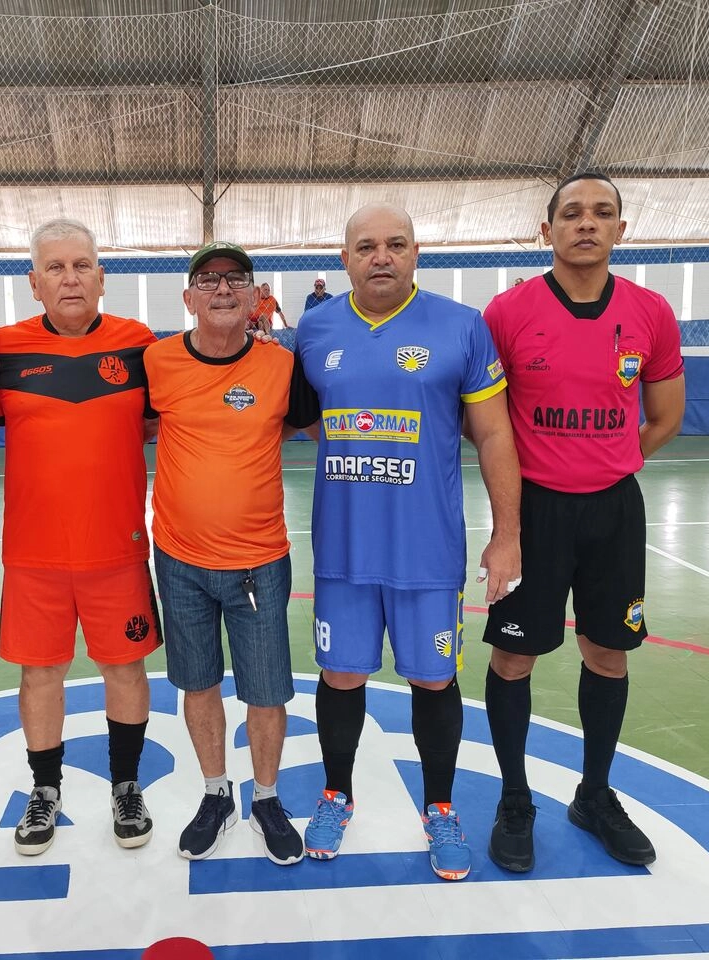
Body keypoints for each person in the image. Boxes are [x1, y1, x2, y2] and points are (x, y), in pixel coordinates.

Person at [294, 202, 522, 881]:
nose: (382, 256)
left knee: (433, 676)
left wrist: (506, 535)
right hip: (343, 551)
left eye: (396, 244)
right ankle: (337, 793)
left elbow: (495, 435)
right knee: (341, 676)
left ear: (417, 253)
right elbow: (310, 421)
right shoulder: (314, 328)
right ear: (345, 259)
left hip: (426, 551)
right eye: (367, 246)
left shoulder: (461, 328)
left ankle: (440, 808)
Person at [479, 172, 685, 873]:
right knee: (513, 657)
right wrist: (508, 521)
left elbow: (665, 417)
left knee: (608, 653)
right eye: (571, 214)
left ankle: (594, 795)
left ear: (621, 231)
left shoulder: (651, 312)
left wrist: (612, 461)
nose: (586, 224)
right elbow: (485, 423)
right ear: (548, 232)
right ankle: (515, 799)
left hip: (614, 510)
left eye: (602, 213)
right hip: (534, 510)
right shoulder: (508, 313)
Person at [144, 241, 319, 865]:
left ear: (254, 299)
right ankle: (217, 793)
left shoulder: (280, 366)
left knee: (266, 691)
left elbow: (318, 421)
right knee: (197, 684)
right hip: (180, 559)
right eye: (208, 279)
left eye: (236, 280)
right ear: (189, 297)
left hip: (260, 561)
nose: (222, 288)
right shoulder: (156, 361)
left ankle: (266, 798)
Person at [0, 218, 162, 857]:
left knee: (125, 668)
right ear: (34, 282)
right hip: (34, 554)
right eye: (56, 268)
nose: (71, 278)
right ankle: (45, 791)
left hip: (116, 549)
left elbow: (157, 426)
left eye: (82, 265)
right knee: (42, 673)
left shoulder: (139, 345)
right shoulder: (3, 349)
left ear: (101, 276)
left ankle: (126, 785)